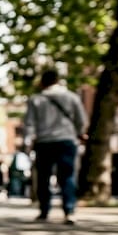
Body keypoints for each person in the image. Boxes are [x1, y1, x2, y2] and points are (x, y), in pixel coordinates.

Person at [23, 68, 87, 225]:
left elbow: (29, 123)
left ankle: (44, 211)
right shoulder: (72, 97)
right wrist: (79, 132)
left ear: (42, 82)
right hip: (66, 140)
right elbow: (81, 119)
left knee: (43, 177)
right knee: (67, 176)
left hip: (44, 142)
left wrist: (28, 141)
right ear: (57, 80)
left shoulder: (36, 100)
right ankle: (69, 211)